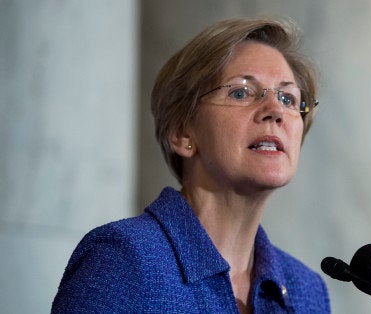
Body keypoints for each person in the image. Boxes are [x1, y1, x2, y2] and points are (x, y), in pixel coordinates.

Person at [52, 17, 329, 313]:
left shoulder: (305, 291)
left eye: (288, 98)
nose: (275, 110)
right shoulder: (122, 261)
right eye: (240, 92)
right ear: (183, 133)